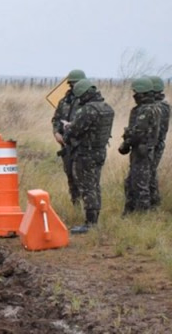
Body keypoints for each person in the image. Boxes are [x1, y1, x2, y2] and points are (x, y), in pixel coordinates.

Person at [63, 78, 114, 234]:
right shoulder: (107, 108)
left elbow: (75, 131)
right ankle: (94, 219)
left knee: (87, 187)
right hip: (100, 151)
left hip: (87, 153)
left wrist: (68, 127)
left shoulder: (88, 110)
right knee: (95, 185)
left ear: (85, 94)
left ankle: (90, 223)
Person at [117, 77, 162, 215]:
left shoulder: (146, 110)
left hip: (142, 152)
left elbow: (138, 132)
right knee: (132, 182)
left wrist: (126, 142)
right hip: (144, 151)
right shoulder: (154, 108)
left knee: (140, 185)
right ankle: (131, 212)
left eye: (136, 92)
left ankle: (142, 216)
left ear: (142, 93)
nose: (134, 95)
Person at [51, 69, 86, 204]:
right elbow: (56, 119)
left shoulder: (86, 102)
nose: (73, 87)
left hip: (80, 146)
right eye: (71, 84)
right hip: (66, 146)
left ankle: (85, 206)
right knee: (70, 176)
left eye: (76, 84)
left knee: (81, 177)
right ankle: (75, 204)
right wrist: (56, 133)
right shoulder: (64, 101)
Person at [148, 76, 170, 209]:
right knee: (151, 172)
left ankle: (154, 202)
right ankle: (154, 202)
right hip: (157, 143)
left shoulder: (159, 106)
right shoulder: (163, 105)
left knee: (150, 173)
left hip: (155, 144)